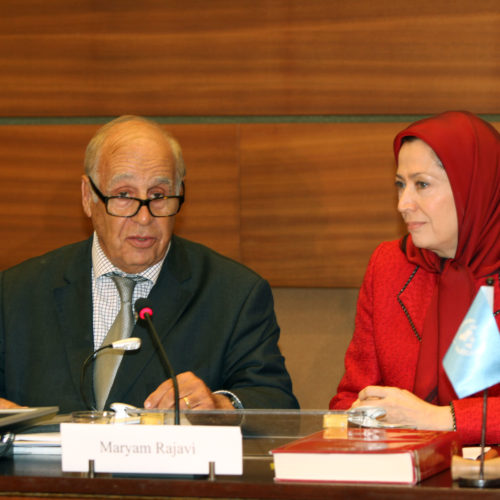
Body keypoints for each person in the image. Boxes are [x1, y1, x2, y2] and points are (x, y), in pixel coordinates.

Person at [0, 115, 299, 414]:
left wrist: (221, 405)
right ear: (88, 196)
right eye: (124, 195)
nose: (144, 218)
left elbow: (276, 403)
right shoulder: (14, 294)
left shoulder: (235, 295)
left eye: (158, 195)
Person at [330, 111, 500, 445]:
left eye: (421, 185)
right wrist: (367, 416)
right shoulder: (391, 265)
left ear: (473, 187)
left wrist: (438, 419)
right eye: (400, 185)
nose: (403, 204)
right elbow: (350, 398)